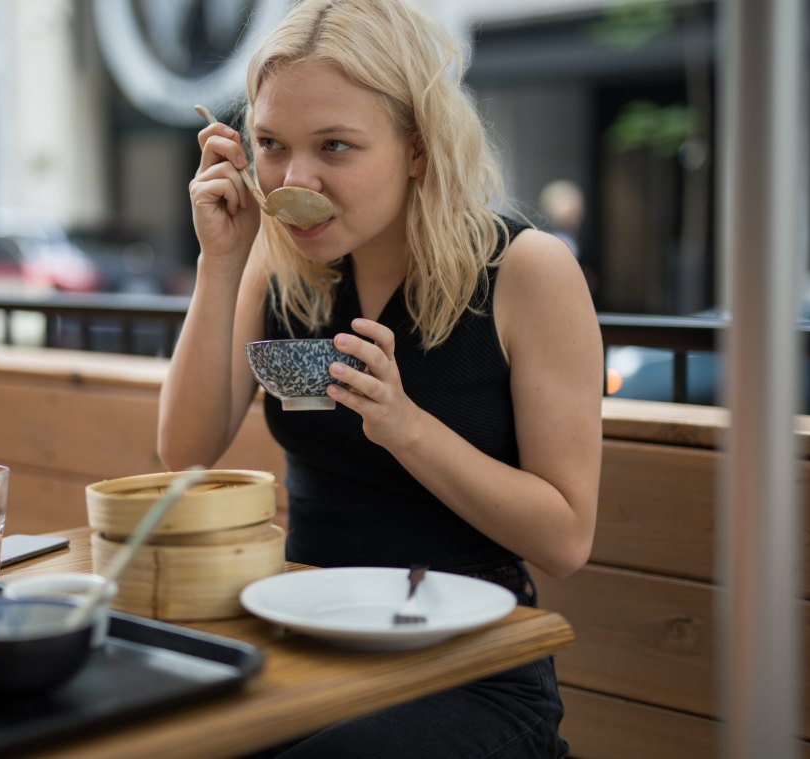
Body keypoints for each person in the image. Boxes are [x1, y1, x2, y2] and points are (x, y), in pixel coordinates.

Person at [158, 0, 602, 756]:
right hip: (308, 642)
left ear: (418, 148)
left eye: (335, 146)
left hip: (472, 663)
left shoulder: (528, 272)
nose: (296, 179)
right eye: (272, 144)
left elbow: (565, 537)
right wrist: (221, 261)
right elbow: (186, 452)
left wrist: (407, 428)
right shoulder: (277, 262)